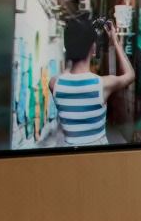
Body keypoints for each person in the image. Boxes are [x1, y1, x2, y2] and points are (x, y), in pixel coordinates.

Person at [50, 16, 135, 146]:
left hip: (69, 156)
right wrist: (115, 40)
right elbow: (130, 75)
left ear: (67, 47)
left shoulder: (54, 83)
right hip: (98, 155)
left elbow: (67, 74)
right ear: (93, 49)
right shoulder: (102, 85)